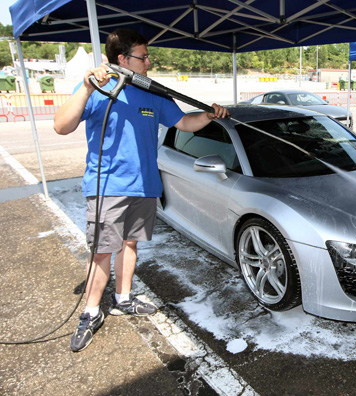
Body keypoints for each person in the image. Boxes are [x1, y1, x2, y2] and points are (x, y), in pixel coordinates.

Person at [54, 29, 229, 352]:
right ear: (122, 59)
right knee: (103, 250)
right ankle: (91, 311)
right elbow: (61, 126)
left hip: (145, 185)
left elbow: (183, 123)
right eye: (143, 57)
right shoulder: (100, 87)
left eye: (148, 56)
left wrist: (207, 114)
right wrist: (88, 86)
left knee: (130, 244)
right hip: (108, 186)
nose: (149, 62)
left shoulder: (154, 94)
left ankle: (123, 297)